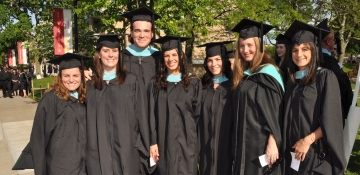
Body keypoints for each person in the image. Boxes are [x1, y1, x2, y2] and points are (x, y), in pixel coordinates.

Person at [282, 20, 346, 174]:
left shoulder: (325, 77)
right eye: (295, 50)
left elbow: (332, 119)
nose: (299, 54)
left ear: (313, 51)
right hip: (292, 150)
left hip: (313, 150)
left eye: (305, 49)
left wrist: (308, 140)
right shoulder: (292, 80)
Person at [12, 53, 90, 174]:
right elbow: (39, 136)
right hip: (60, 165)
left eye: (76, 75)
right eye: (66, 76)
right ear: (60, 77)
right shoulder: (51, 99)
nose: (71, 80)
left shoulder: (85, 97)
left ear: (82, 76)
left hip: (83, 165)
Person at [86, 34, 150, 175]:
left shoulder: (132, 81)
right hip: (98, 153)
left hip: (127, 151)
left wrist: (146, 147)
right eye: (106, 51)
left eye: (114, 51)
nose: (111, 55)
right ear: (98, 55)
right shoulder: (89, 85)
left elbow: (142, 117)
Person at [230, 19, 284, 175]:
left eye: (249, 45)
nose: (245, 50)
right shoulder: (246, 74)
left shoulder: (269, 73)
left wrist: (272, 142)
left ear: (259, 46)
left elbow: (275, 112)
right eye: (241, 46)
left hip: (261, 141)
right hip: (244, 141)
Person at [149, 36, 202, 175]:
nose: (170, 59)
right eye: (166, 55)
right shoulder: (156, 84)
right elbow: (151, 115)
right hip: (164, 141)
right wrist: (153, 142)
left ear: (181, 56)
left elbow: (198, 114)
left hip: (188, 142)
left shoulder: (194, 82)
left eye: (174, 54)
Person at [197, 41, 234, 175]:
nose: (214, 64)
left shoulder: (233, 86)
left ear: (224, 60)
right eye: (210, 60)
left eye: (218, 59)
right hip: (205, 143)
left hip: (226, 143)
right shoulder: (202, 86)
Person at [316, 19, 353, 124]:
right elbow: (341, 82)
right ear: (328, 42)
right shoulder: (326, 59)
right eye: (333, 40)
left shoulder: (316, 57)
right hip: (330, 108)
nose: (334, 42)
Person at [121, 6, 162, 89]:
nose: (142, 35)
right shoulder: (121, 57)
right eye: (137, 31)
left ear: (152, 34)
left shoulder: (159, 57)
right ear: (131, 33)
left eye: (146, 31)